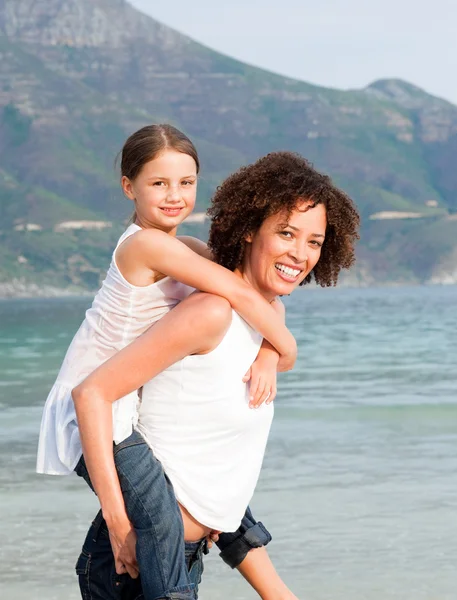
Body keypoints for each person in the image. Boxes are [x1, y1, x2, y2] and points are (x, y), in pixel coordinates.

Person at [72, 151, 361, 599]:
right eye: (286, 233)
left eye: (314, 242)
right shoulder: (210, 312)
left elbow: (215, 485)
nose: (300, 254)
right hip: (131, 563)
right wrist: (116, 518)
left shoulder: (263, 320)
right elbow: (94, 394)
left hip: (183, 560)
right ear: (248, 229)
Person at [36, 124, 299, 597]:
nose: (175, 195)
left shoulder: (181, 248)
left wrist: (265, 349)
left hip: (122, 402)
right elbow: (238, 290)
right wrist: (289, 349)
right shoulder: (145, 244)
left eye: (186, 182)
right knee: (156, 515)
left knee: (208, 492)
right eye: (159, 183)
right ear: (128, 187)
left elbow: (253, 291)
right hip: (95, 407)